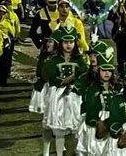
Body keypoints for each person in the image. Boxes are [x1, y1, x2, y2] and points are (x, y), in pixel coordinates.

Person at [43, 22, 87, 156]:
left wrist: (75, 86)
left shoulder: (80, 59)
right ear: (61, 43)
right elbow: (51, 76)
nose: (68, 45)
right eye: (66, 42)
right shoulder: (55, 59)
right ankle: (59, 152)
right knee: (59, 129)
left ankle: (75, 151)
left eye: (71, 42)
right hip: (59, 97)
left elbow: (84, 76)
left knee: (76, 128)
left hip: (74, 97)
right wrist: (62, 82)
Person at [77, 47, 117, 156]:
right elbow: (90, 109)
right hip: (96, 124)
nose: (107, 73)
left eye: (109, 70)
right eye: (104, 70)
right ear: (98, 70)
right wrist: (99, 123)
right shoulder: (93, 89)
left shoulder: (117, 88)